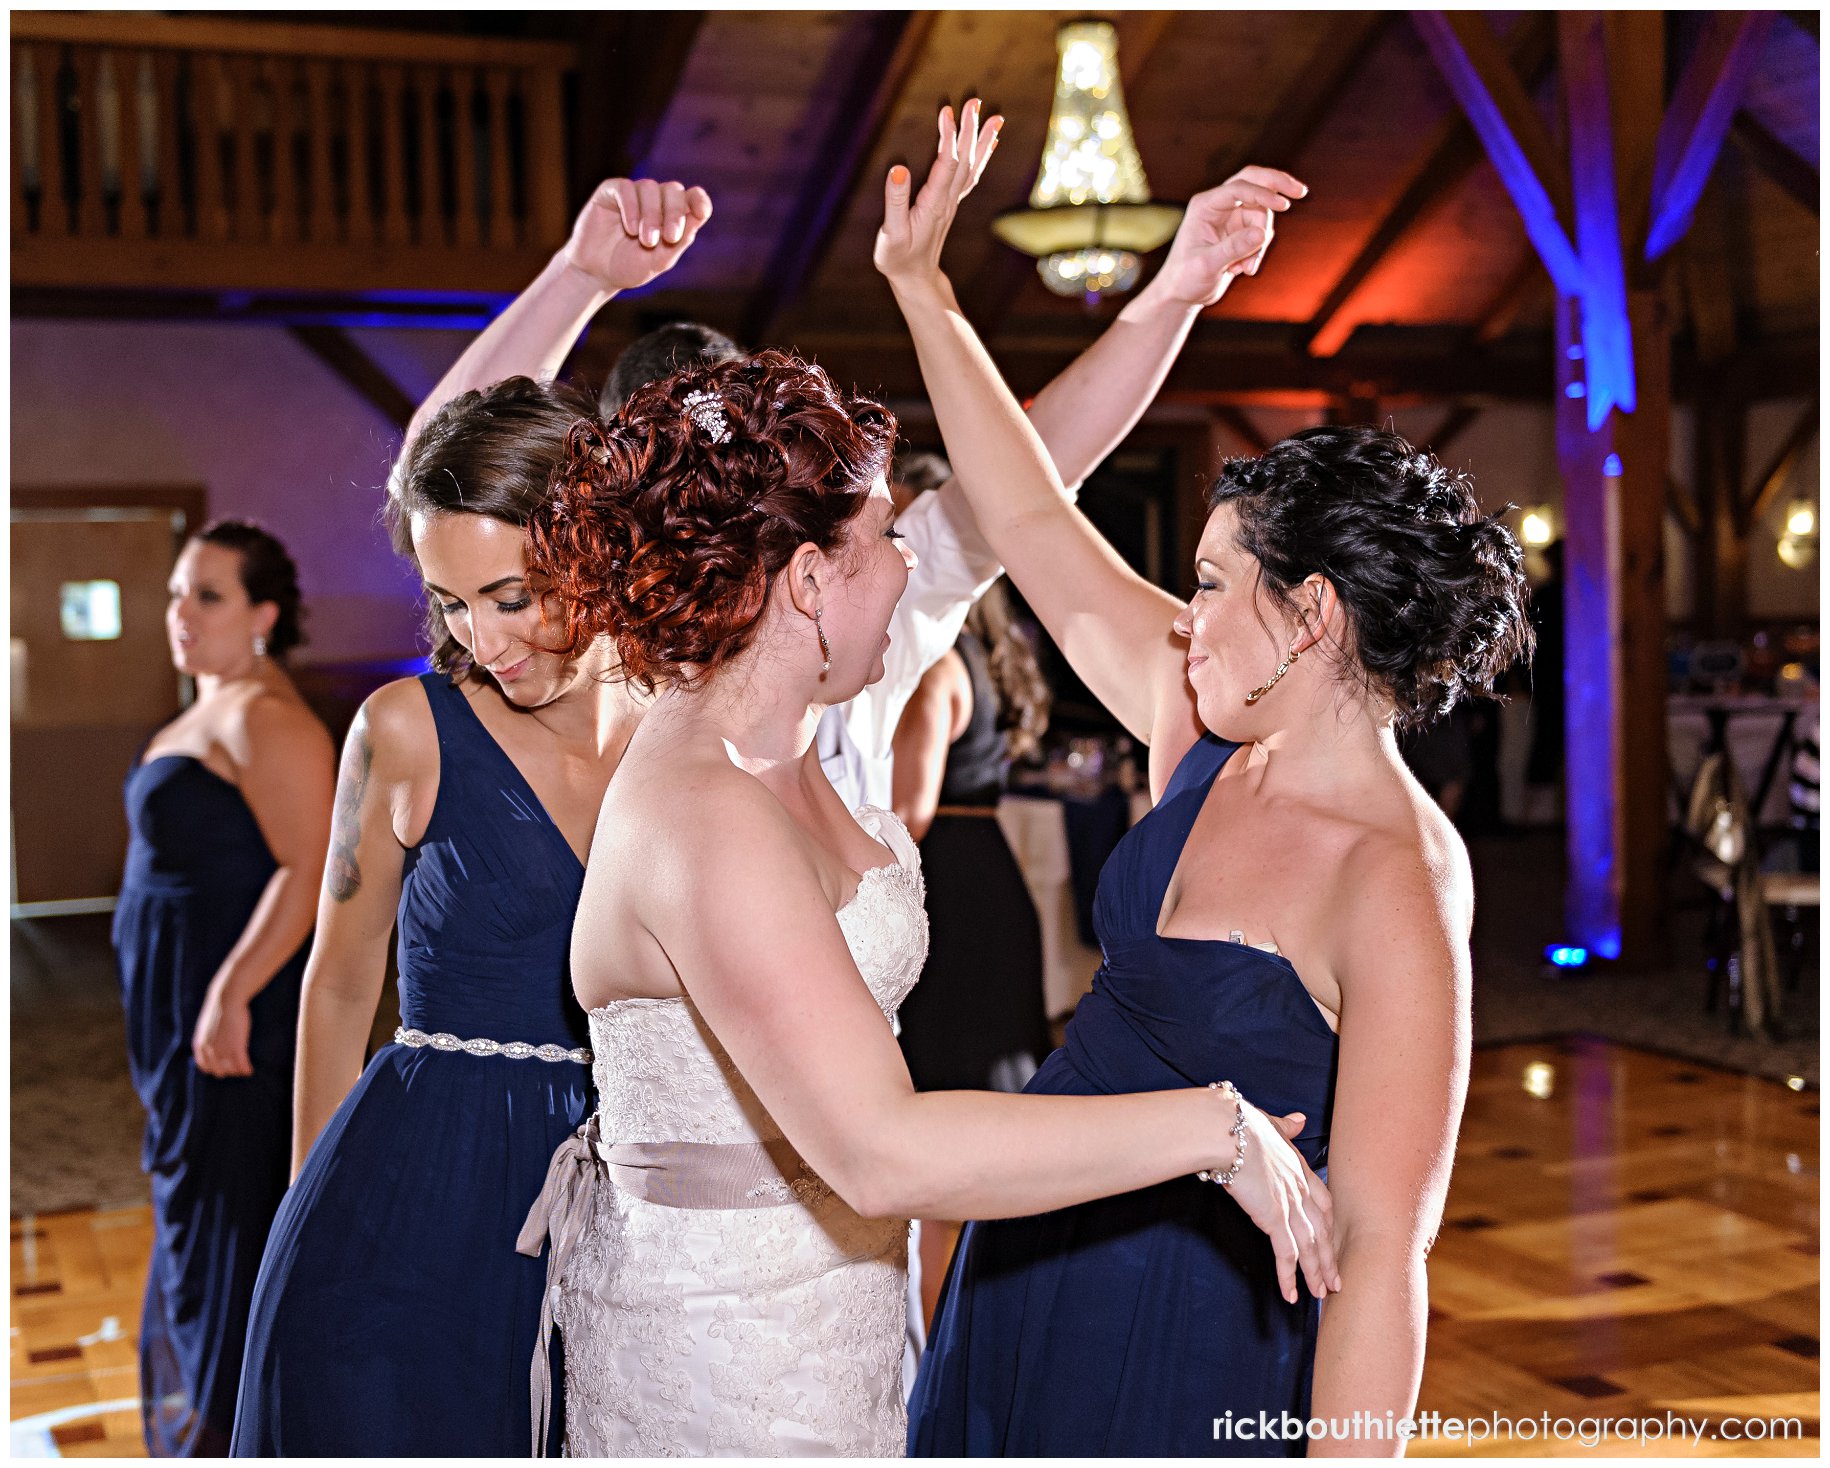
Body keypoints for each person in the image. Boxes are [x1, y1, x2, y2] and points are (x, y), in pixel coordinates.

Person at [417, 144, 1314, 1396]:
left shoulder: (839, 626)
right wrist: (575, 277)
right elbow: (445, 476)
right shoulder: (638, 691)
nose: (897, 549)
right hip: (722, 1310)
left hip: (851, 1281)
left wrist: (1170, 295)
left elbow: (1029, 486)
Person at [880, 112, 1534, 1456]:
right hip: (1026, 1262)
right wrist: (922, 289)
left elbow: (1381, 1253)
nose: (1181, 616)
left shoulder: (1392, 877)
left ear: (1308, 618)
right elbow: (1023, 519)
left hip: (1191, 1334)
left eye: (1208, 584)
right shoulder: (1202, 728)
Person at [231, 178, 712, 1456]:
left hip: (639, 1202)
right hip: (407, 1209)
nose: (482, 642)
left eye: (512, 595)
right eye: (451, 605)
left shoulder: (691, 726)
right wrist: (308, 1221)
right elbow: (338, 995)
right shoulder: (403, 732)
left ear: (602, 550)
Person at [117, 521, 334, 1455]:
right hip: (181, 1010)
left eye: (207, 595)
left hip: (235, 1021)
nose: (180, 613)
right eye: (176, 592)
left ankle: (236, 1435)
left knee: (229, 1222)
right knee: (194, 1214)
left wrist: (229, 991)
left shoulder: (265, 716)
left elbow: (311, 866)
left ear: (263, 615)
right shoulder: (216, 704)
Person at [891, 569, 1053, 1095]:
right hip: (990, 864)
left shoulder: (940, 671)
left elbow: (908, 812)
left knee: (951, 1053)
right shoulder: (989, 658)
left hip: (946, 878)